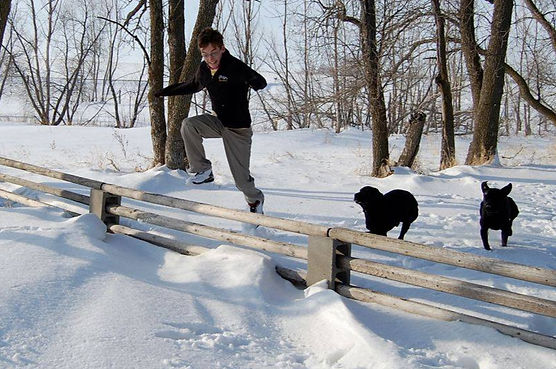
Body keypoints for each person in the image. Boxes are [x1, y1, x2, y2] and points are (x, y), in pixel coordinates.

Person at [155, 28, 266, 214]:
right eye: (205, 54)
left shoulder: (235, 66)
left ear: (222, 48)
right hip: (219, 122)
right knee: (189, 125)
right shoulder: (204, 69)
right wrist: (165, 91)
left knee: (241, 180)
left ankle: (255, 201)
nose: (210, 58)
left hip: (238, 129)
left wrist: (253, 81)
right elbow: (192, 85)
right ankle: (203, 170)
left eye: (213, 53)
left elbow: (260, 82)